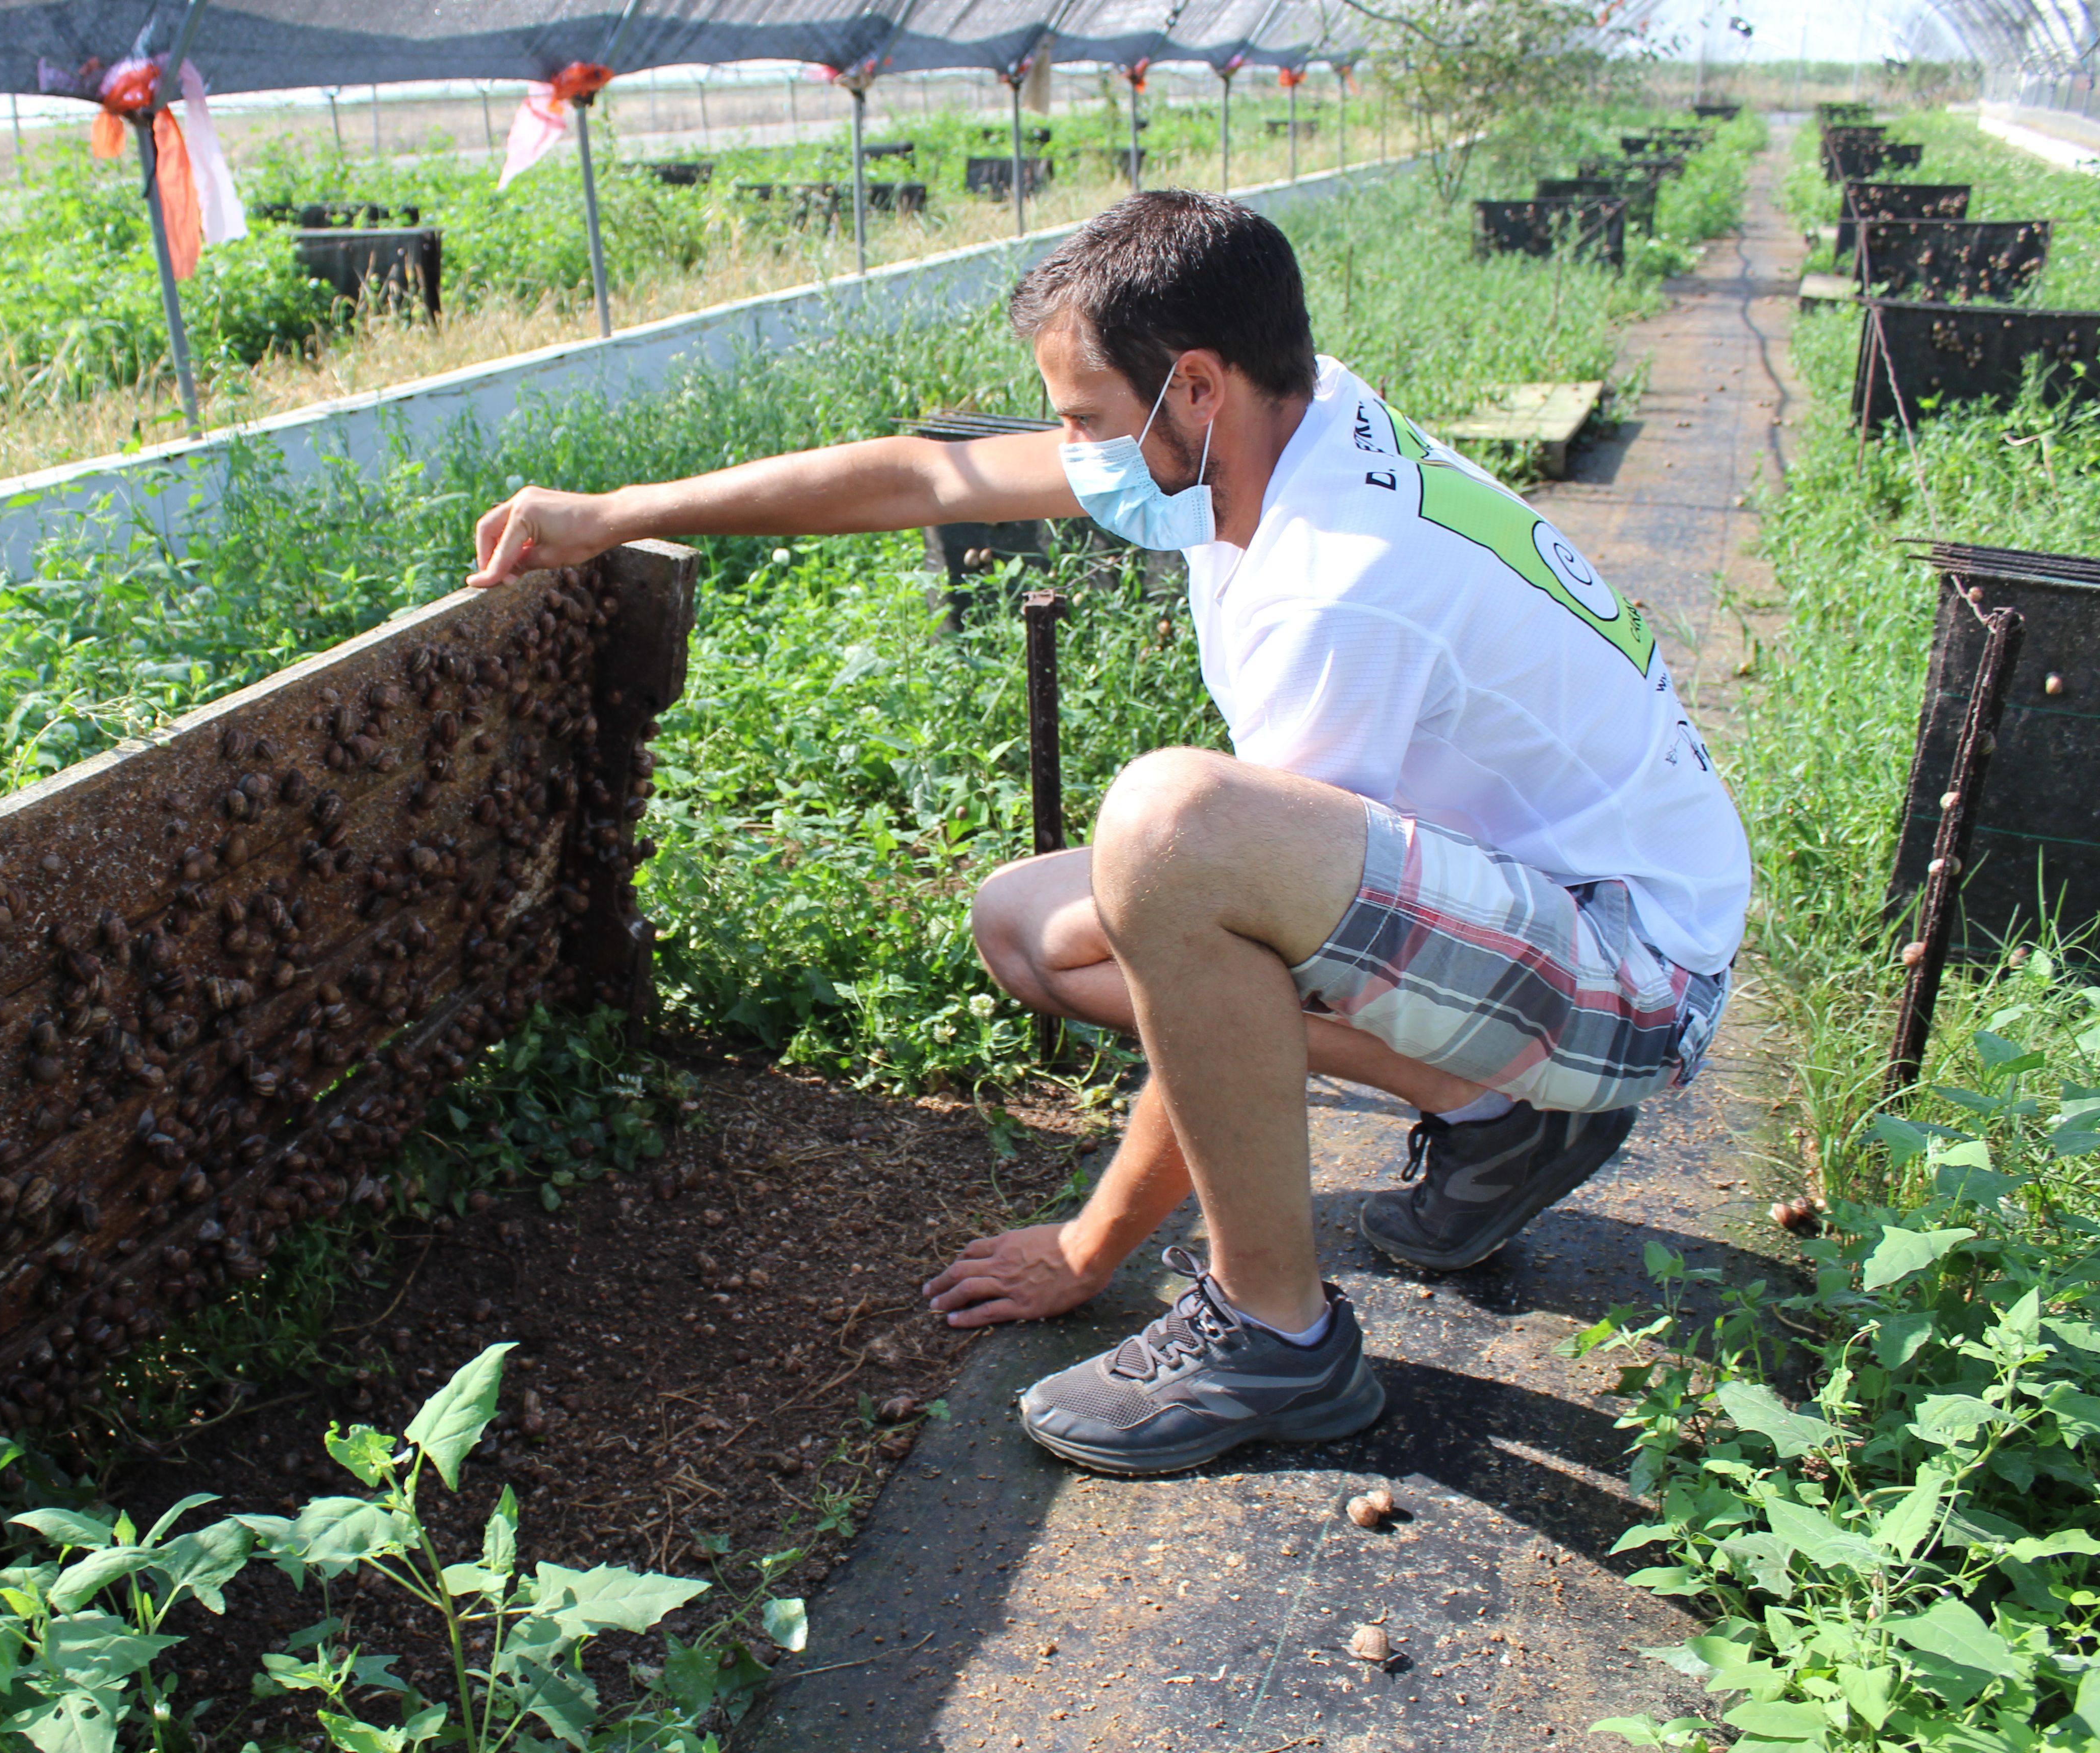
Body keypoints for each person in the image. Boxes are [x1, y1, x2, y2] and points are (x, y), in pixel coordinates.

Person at [466, 190, 1748, 1477]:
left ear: (1193, 386)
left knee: (1172, 830)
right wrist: (620, 510)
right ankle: (1500, 1110)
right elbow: (932, 472)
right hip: (1552, 901)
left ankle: (1275, 1335)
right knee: (1030, 928)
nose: (1071, 448)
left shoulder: (1337, 588)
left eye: (1086, 416)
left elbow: (1234, 941)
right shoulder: (1284, 415)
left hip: (1635, 977)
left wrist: (1091, 1247)